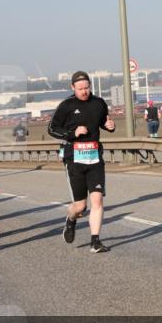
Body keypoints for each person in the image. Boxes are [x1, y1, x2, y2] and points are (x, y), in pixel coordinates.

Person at [48, 71, 116, 253]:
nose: (84, 91)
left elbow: (103, 122)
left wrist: (110, 126)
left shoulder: (99, 103)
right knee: (80, 206)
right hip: (74, 159)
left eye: (87, 88)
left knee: (97, 200)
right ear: (72, 88)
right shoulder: (66, 106)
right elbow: (52, 129)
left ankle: (95, 241)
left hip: (95, 158)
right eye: (80, 89)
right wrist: (72, 133)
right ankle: (71, 220)